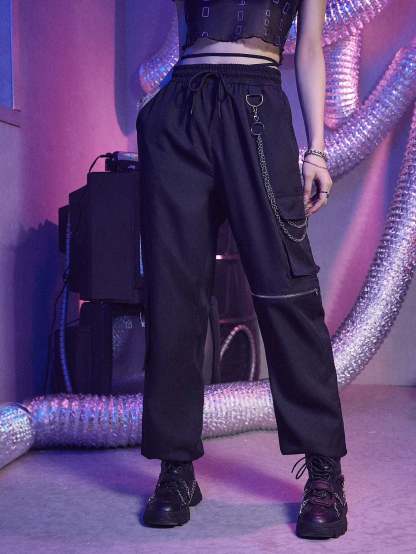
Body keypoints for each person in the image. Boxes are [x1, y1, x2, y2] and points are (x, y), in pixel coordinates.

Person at [136, 0, 348, 540]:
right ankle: (175, 468)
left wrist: (317, 151)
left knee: (287, 290)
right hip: (179, 109)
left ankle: (324, 471)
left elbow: (310, 48)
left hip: (256, 106)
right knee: (173, 295)